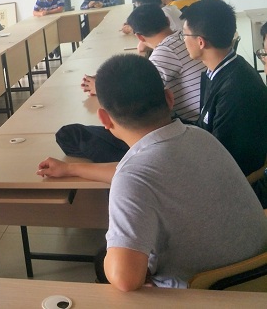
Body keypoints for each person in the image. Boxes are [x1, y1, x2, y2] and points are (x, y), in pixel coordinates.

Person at [39, 54, 267, 291]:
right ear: (169, 98)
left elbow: (126, 280)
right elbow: (139, 174)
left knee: (104, 261)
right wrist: (70, 168)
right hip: (256, 275)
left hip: (210, 292)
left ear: (104, 118)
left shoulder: (134, 176)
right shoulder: (201, 137)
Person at [180, 0, 267, 177]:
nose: (183, 41)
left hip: (234, 180)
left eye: (184, 35)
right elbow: (205, 127)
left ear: (201, 42)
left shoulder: (235, 89)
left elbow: (223, 157)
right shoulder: (217, 71)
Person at [85, 4, 205, 122]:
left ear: (139, 37)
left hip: (195, 121)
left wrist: (100, 88)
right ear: (168, 21)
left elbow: (138, 93)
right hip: (206, 113)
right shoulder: (182, 36)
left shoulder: (165, 51)